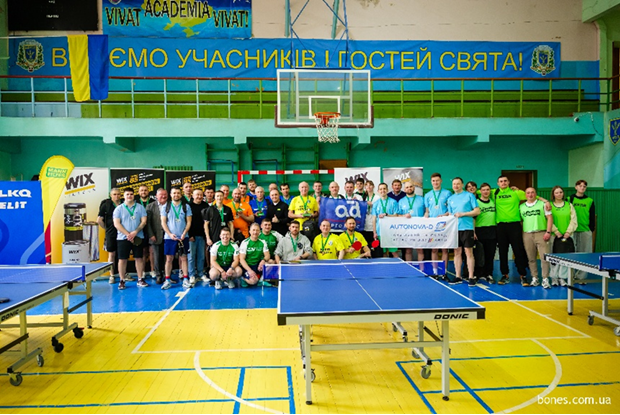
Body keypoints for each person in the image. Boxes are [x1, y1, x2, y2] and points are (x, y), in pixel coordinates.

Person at [494, 175, 530, 285]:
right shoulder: (494, 193)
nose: (503, 183)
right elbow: (478, 191)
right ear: (498, 183)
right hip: (501, 226)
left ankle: (523, 275)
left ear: (509, 182)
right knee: (502, 252)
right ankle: (504, 275)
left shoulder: (516, 192)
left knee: (518, 251)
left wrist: (546, 201)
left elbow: (533, 196)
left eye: (505, 181)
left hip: (514, 226)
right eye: (501, 181)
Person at [113, 188, 148, 290]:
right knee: (122, 259)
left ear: (134, 195)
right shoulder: (118, 209)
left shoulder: (140, 207)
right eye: (127, 194)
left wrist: (135, 232)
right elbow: (117, 224)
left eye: (131, 194)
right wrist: (128, 234)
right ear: (124, 196)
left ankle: (140, 279)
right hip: (123, 238)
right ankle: (122, 280)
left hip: (138, 237)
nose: (129, 196)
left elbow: (144, 222)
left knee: (139, 258)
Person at [447, 177, 480, 286]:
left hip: (467, 228)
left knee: (468, 252)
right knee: (457, 253)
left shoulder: (469, 196)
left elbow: (477, 211)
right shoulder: (450, 199)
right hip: (455, 229)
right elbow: (450, 214)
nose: (456, 186)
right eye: (454, 184)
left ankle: (471, 277)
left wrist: (463, 214)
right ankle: (458, 276)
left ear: (462, 185)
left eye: (458, 183)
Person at [519, 187, 553, 288]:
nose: (530, 195)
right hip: (527, 234)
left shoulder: (542, 204)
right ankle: (535, 278)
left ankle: (545, 279)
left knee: (544, 257)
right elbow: (521, 221)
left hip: (541, 233)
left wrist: (548, 231)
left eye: (532, 192)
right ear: (525, 195)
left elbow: (549, 218)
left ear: (536, 194)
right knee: (531, 258)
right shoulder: (521, 207)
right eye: (528, 193)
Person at [161, 187, 192, 290]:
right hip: (169, 238)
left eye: (178, 193)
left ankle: (186, 279)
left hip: (183, 237)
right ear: (170, 194)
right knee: (169, 259)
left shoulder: (186, 206)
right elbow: (163, 222)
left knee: (184, 258)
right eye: (174, 193)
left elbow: (189, 222)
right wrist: (170, 234)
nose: (176, 195)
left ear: (181, 194)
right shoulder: (165, 206)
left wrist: (184, 233)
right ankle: (167, 280)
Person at [203, 190, 235, 282]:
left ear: (223, 197)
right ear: (215, 197)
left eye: (221, 196)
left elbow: (231, 224)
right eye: (217, 196)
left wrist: (232, 236)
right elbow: (206, 224)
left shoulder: (228, 209)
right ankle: (214, 278)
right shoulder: (210, 209)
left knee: (225, 255)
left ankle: (226, 276)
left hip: (225, 237)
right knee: (213, 256)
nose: (219, 198)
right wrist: (208, 238)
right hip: (214, 236)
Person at [424, 173, 452, 275]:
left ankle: (444, 272)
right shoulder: (427, 195)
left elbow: (450, 210)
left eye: (437, 180)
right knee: (434, 249)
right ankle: (435, 271)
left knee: (444, 250)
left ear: (441, 181)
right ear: (431, 182)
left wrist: (444, 215)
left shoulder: (448, 193)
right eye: (433, 181)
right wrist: (426, 215)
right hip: (433, 226)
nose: (435, 182)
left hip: (445, 225)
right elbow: (427, 210)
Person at [549, 185, 578, 286]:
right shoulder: (549, 206)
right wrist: (555, 231)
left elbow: (573, 220)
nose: (559, 194)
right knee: (554, 257)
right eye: (556, 192)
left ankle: (562, 278)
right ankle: (554, 278)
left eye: (560, 192)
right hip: (554, 236)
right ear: (553, 194)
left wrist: (568, 232)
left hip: (567, 236)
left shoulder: (569, 205)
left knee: (566, 257)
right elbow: (547, 219)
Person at [569, 179, 596, 281]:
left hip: (585, 230)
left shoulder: (589, 201)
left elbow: (592, 216)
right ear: (576, 187)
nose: (582, 188)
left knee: (585, 254)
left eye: (584, 186)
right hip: (572, 230)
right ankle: (571, 275)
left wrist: (591, 229)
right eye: (580, 186)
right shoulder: (570, 199)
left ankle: (581, 277)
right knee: (572, 253)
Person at [97, 188, 122, 284]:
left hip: (123, 232)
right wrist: (107, 229)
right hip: (111, 233)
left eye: (118, 194)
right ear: (110, 195)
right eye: (114, 194)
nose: (116, 196)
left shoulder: (124, 204)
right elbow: (99, 220)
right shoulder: (106, 205)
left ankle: (123, 274)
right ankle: (112, 275)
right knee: (111, 254)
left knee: (122, 254)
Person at [474, 183, 497, 284]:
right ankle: (477, 274)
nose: (486, 192)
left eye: (488, 190)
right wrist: (473, 231)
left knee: (490, 254)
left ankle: (489, 274)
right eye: (483, 190)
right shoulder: (477, 203)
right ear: (480, 191)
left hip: (492, 230)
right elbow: (473, 218)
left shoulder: (493, 202)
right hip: (480, 230)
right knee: (479, 254)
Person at [398, 181, 425, 261]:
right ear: (404, 189)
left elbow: (427, 212)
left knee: (420, 249)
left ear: (414, 187)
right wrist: (404, 216)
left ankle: (421, 267)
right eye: (407, 187)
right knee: (408, 250)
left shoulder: (421, 199)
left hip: (420, 228)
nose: (409, 188)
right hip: (407, 229)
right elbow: (398, 215)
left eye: (411, 186)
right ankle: (409, 268)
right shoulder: (401, 201)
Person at [372, 182, 400, 258]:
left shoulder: (393, 202)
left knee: (394, 252)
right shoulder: (376, 203)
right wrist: (374, 232)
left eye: (384, 189)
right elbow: (374, 219)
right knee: (383, 253)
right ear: (378, 191)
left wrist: (387, 215)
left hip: (391, 231)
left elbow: (396, 216)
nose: (382, 190)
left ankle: (399, 265)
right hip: (380, 231)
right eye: (381, 189)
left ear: (387, 190)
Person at [147, 188, 168, 284]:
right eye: (161, 195)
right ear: (156, 196)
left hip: (169, 235)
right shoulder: (150, 206)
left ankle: (167, 275)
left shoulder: (171, 205)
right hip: (156, 236)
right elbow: (148, 223)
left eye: (165, 194)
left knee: (168, 257)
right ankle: (158, 276)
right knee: (157, 257)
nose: (163, 196)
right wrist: (151, 234)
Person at [188, 189, 208, 285]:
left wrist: (206, 235)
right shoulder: (188, 206)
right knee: (191, 257)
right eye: (197, 195)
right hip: (192, 236)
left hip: (202, 236)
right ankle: (192, 275)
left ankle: (200, 274)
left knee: (201, 256)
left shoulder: (206, 206)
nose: (199, 197)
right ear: (193, 195)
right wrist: (189, 234)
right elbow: (186, 222)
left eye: (201, 195)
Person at [362, 180, 379, 256]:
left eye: (370, 185)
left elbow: (380, 209)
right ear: (365, 187)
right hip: (365, 225)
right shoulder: (364, 198)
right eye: (367, 185)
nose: (368, 187)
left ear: (373, 186)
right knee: (367, 245)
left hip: (374, 225)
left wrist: (372, 205)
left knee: (374, 246)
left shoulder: (377, 197)